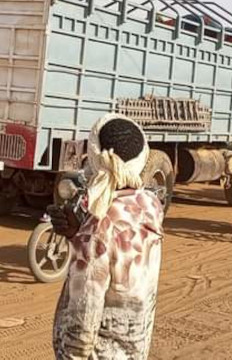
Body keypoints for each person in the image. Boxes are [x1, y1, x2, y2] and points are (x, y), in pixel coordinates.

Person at [47, 114, 162, 359]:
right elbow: (120, 252)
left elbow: (82, 325)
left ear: (95, 155)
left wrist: (84, 236)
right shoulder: (149, 206)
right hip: (134, 350)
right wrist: (77, 233)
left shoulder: (99, 228)